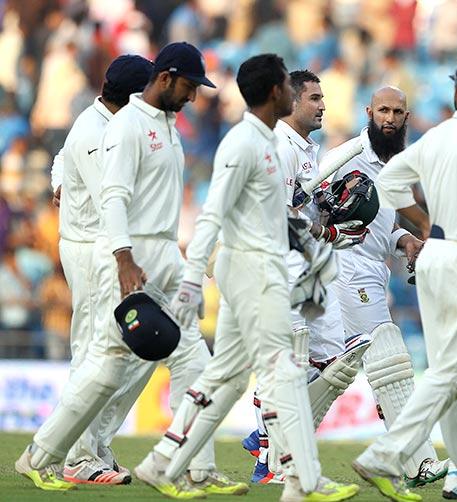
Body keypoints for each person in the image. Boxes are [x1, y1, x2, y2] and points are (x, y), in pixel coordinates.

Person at [16, 42, 243, 498]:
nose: (194, 97)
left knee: (195, 360)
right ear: (163, 80)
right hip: (122, 255)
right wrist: (123, 258)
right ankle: (45, 457)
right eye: (189, 86)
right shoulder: (124, 127)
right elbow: (114, 198)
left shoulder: (163, 122)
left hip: (157, 254)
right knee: (103, 366)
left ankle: (192, 467)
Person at [135, 53, 359, 502]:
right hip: (251, 270)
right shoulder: (244, 144)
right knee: (284, 371)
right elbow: (212, 214)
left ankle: (160, 462)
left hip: (262, 265)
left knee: (227, 377)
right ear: (276, 92)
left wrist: (312, 244)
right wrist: (191, 280)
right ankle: (303, 479)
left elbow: (272, 215)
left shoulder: (266, 142)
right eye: (287, 86)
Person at [352, 56, 457, 502]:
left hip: (434, 257)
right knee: (453, 368)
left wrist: (423, 223)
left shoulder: (438, 135)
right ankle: (387, 453)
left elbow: (389, 181)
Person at [242, 69, 372, 484]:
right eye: (314, 98)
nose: (323, 106)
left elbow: (299, 207)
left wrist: (327, 216)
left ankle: (263, 430)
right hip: (278, 267)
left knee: (334, 361)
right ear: (291, 102)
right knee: (287, 364)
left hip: (305, 268)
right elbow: (276, 215)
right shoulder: (279, 146)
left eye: (322, 98)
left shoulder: (305, 148)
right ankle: (269, 458)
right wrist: (325, 230)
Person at [323, 86, 448, 488]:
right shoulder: (346, 157)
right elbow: (306, 202)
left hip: (373, 271)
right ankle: (418, 461)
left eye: (397, 111)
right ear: (368, 112)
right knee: (391, 361)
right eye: (382, 111)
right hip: (344, 269)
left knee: (334, 370)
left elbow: (382, 228)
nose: (389, 118)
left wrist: (404, 241)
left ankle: (273, 443)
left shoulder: (398, 164)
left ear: (406, 116)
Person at [49, 54, 153, 486]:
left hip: (110, 248)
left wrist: (58, 182)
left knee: (143, 348)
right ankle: (77, 455)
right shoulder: (95, 133)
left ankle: (95, 441)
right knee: (94, 351)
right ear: (132, 96)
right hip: (94, 250)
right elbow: (114, 200)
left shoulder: (108, 123)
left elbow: (58, 157)